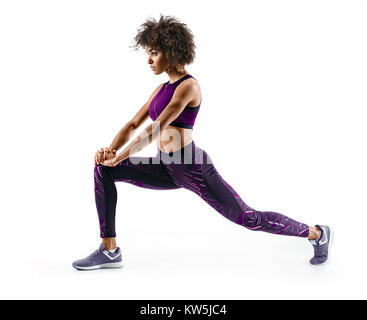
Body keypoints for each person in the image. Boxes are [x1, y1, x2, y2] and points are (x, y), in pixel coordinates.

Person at [72, 15, 333, 270]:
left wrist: (119, 156)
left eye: (154, 53)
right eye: (148, 53)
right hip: (166, 167)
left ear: (171, 51)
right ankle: (109, 250)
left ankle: (316, 233)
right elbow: (132, 125)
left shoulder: (189, 87)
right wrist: (111, 151)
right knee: (103, 169)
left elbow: (156, 128)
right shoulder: (161, 89)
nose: (149, 60)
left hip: (192, 168)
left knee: (248, 218)